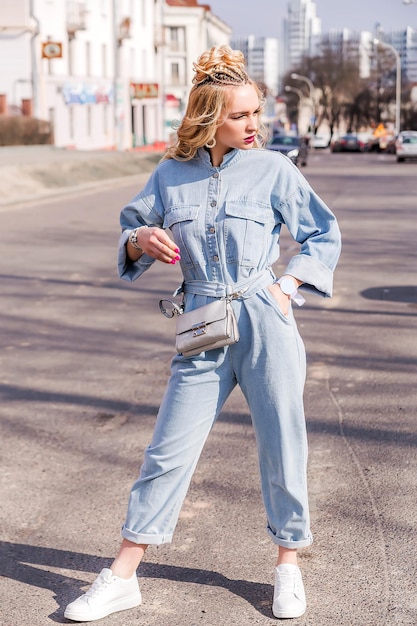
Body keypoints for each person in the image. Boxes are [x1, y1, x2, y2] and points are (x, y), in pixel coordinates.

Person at [64, 45, 341, 622]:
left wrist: (288, 287)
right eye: (240, 115)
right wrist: (141, 241)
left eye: (256, 114)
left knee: (283, 443)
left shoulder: (274, 168)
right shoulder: (170, 174)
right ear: (207, 115)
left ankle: (288, 564)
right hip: (203, 319)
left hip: (266, 318)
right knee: (168, 451)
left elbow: (322, 233)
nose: (252, 126)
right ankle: (122, 576)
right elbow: (134, 227)